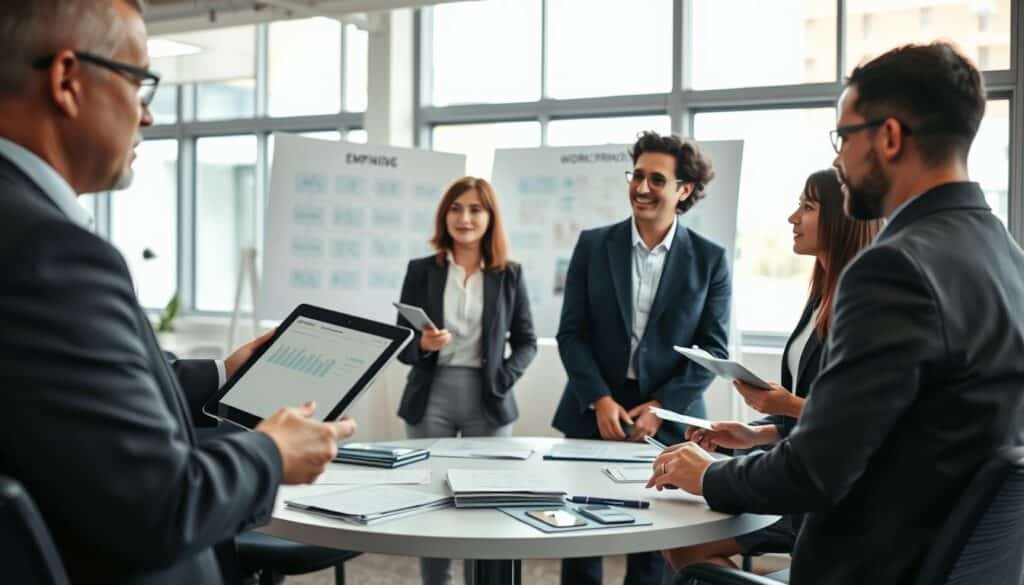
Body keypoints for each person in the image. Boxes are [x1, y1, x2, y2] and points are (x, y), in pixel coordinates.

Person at [0, 2, 355, 584]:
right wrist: (271, 452)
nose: (148, 118)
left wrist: (222, 371)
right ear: (67, 80)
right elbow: (158, 507)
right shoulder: (47, 251)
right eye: (139, 85)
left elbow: (61, 395)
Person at [648, 42, 1024, 585]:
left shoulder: (894, 268)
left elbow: (814, 472)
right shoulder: (1009, 260)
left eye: (844, 138)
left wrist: (710, 476)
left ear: (889, 138)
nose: (840, 161)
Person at [660, 169, 881, 572]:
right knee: (681, 544)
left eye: (807, 207)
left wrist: (789, 403)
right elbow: (815, 408)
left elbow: (854, 418)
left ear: (841, 217)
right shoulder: (822, 292)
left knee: (689, 545)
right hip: (802, 468)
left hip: (823, 493)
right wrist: (753, 433)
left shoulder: (863, 303)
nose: (792, 218)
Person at [553, 131, 731, 585]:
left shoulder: (710, 259)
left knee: (655, 549)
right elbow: (571, 334)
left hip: (669, 421)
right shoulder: (593, 245)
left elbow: (713, 348)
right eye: (637, 175)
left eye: (657, 178)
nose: (642, 187)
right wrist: (598, 398)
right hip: (594, 410)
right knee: (577, 536)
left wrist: (660, 406)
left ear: (683, 190)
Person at [396, 176, 537, 585]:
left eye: (476, 209)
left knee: (489, 504)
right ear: (445, 217)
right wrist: (422, 343)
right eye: (456, 208)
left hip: (488, 398)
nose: (465, 217)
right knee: (431, 503)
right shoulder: (421, 270)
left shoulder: (509, 274)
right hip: (431, 395)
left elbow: (527, 341)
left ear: (490, 217)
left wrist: (503, 377)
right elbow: (402, 341)